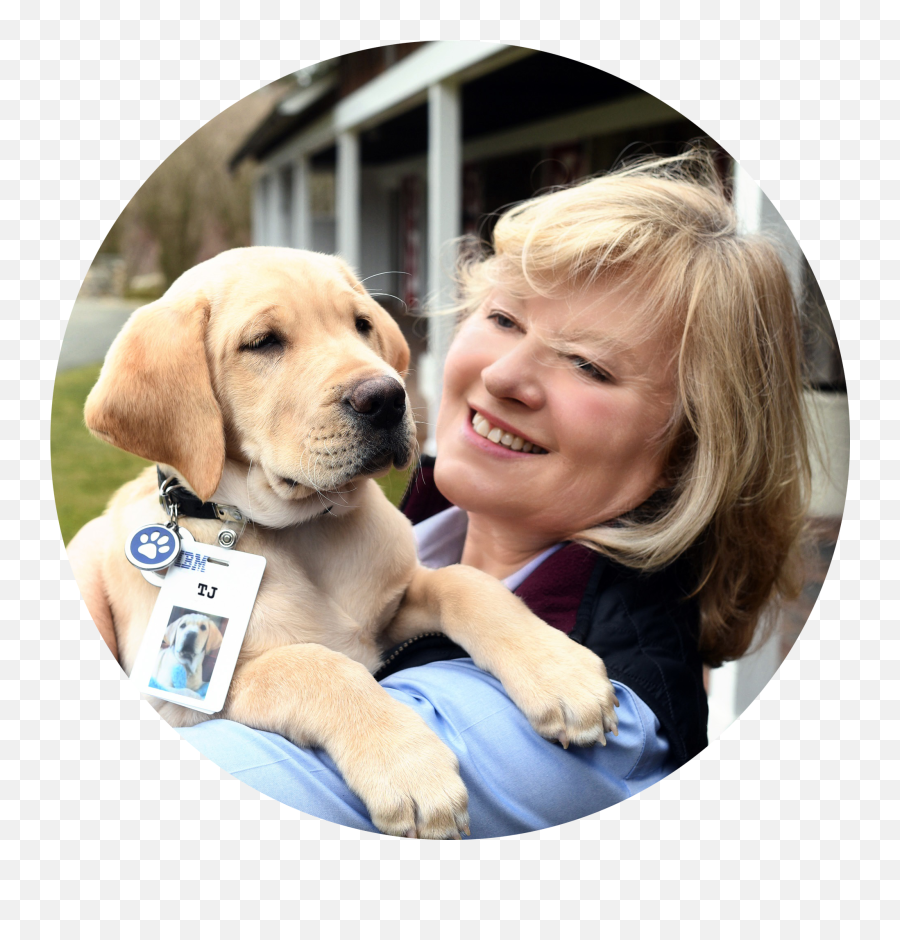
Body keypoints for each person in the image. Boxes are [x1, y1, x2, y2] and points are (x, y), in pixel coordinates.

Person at [67, 151, 811, 838]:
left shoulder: (581, 738)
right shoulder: (404, 519)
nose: (374, 376)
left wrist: (335, 690)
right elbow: (193, 686)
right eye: (503, 318)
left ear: (693, 446)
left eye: (589, 365)